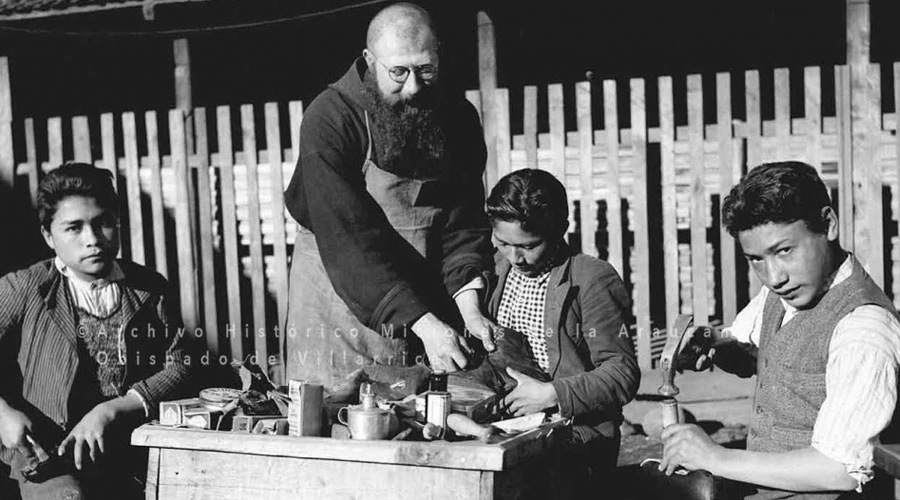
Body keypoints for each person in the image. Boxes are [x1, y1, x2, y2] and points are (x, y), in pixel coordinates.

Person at [282, 3, 495, 394]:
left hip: (424, 312)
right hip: (339, 306)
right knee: (337, 423)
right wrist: (426, 324)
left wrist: (470, 307)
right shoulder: (329, 119)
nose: (413, 87)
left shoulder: (459, 119)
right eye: (398, 72)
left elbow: (463, 225)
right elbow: (349, 240)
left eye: (425, 69)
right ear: (369, 61)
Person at [661, 161, 900, 499]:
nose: (773, 277)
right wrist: (713, 347)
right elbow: (755, 348)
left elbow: (841, 469)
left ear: (828, 225)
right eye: (756, 259)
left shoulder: (864, 328)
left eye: (784, 250)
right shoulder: (786, 293)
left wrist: (715, 457)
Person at [0, 163, 195, 499]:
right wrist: (2, 414)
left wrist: (113, 409)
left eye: (103, 222)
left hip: (130, 454)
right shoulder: (27, 288)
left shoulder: (149, 289)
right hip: (50, 461)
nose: (92, 240)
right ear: (49, 236)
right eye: (73, 228)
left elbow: (181, 364)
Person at [485, 169, 640, 489]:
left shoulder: (592, 279)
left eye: (529, 246)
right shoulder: (495, 269)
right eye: (503, 242)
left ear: (560, 231)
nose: (516, 258)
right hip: (507, 429)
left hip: (575, 439)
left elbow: (622, 372)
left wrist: (550, 394)